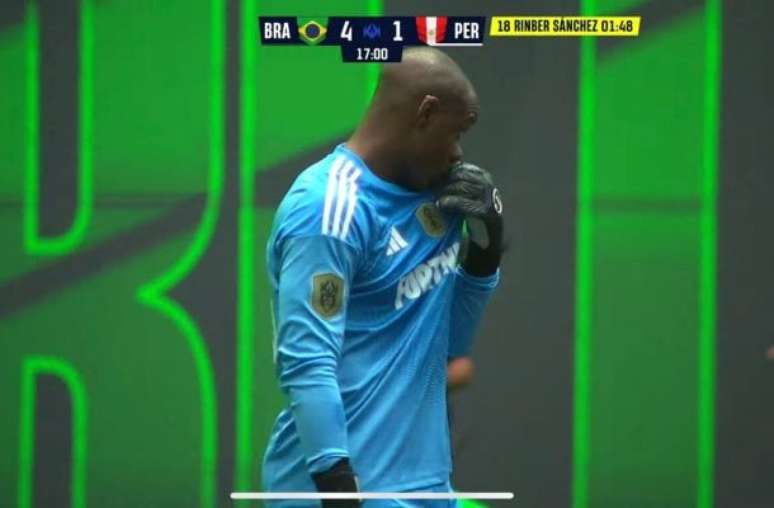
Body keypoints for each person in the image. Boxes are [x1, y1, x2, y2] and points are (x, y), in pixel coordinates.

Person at [262, 47, 503, 507]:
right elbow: (307, 360)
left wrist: (484, 255)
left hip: (426, 488)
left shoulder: (439, 198)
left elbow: (451, 344)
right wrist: (337, 485)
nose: (458, 152)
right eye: (456, 133)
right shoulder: (327, 207)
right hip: (339, 489)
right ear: (425, 113)